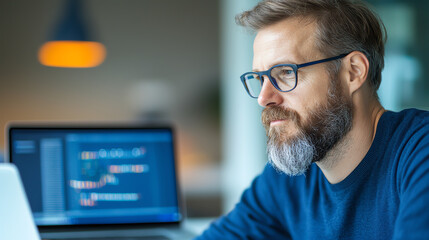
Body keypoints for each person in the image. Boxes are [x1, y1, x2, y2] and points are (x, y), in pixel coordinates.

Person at [195, 0, 429, 239]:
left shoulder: (419, 154)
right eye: (260, 79)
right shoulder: (288, 179)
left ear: (354, 71)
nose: (264, 98)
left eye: (286, 73)